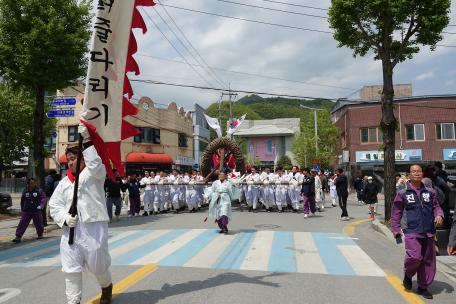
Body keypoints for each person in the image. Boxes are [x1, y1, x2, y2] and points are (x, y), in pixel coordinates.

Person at [49, 127, 113, 304]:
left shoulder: (95, 174)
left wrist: (87, 141)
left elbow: (95, 164)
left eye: (73, 159)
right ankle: (73, 301)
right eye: (68, 160)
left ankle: (106, 286)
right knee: (71, 268)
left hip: (94, 225)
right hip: (71, 229)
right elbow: (54, 205)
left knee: (97, 265)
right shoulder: (63, 183)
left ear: (83, 159)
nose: (70, 163)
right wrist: (64, 218)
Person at [391, 164, 444, 300]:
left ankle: (423, 287)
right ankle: (408, 274)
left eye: (419, 171)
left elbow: (436, 206)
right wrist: (395, 228)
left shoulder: (430, 191)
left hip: (429, 230)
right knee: (414, 257)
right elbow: (396, 211)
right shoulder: (403, 192)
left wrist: (439, 215)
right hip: (411, 229)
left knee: (427, 260)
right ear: (409, 174)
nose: (416, 173)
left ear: (422, 174)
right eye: (413, 171)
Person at [12, 177, 46, 243]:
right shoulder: (25, 191)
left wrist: (41, 205)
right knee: (22, 223)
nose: (32, 184)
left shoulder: (39, 190)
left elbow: (43, 198)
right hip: (27, 211)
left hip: (36, 210)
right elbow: (22, 201)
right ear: (27, 184)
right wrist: (22, 209)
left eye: (33, 183)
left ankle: (40, 234)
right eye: (30, 183)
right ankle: (18, 237)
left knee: (39, 223)